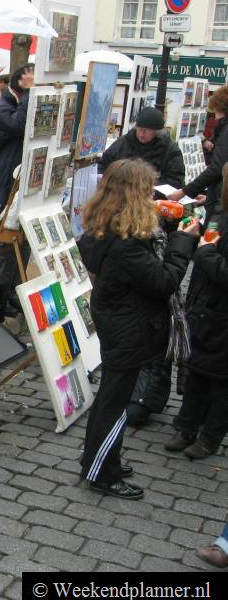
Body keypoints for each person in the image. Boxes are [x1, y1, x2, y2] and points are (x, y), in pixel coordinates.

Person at [77, 159, 197, 499]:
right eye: (147, 191)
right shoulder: (125, 243)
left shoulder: (109, 226)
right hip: (127, 327)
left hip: (119, 320)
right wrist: (182, 243)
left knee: (110, 396)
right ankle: (103, 473)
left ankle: (95, 458)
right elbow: (164, 282)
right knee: (115, 403)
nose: (151, 197)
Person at [165, 165, 228, 459]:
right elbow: (209, 242)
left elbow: (218, 265)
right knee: (197, 371)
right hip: (205, 307)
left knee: (221, 381)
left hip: (222, 311)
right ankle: (186, 426)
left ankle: (210, 436)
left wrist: (205, 253)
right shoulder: (220, 215)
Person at [167, 85, 228, 224]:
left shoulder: (225, 132)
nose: (215, 116)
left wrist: (184, 192)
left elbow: (217, 168)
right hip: (219, 196)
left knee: (212, 233)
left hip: (220, 201)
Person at [98, 107, 184, 188]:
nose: (141, 134)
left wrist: (143, 186)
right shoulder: (124, 142)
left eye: (147, 131)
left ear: (157, 132)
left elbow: (175, 180)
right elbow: (103, 164)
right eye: (139, 129)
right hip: (119, 192)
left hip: (151, 194)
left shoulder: (170, 150)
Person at [0, 64, 33, 213]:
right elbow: (18, 125)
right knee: (4, 210)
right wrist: (29, 92)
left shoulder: (18, 103)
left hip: (16, 167)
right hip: (6, 170)